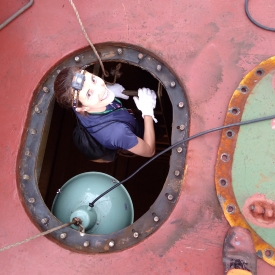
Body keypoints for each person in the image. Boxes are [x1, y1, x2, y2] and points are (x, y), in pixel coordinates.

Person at [54, 67, 157, 161]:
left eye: (93, 80)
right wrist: (148, 112)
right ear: (82, 108)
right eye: (89, 94)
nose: (101, 89)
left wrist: (109, 88)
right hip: (140, 133)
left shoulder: (76, 98)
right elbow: (150, 151)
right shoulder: (117, 133)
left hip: (128, 118)